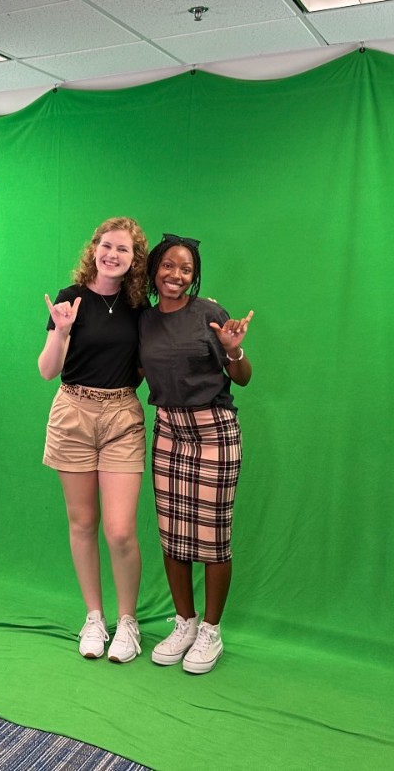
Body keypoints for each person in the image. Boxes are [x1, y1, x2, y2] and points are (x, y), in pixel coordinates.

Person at [138, 233, 253, 674]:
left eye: (185, 269)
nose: (176, 275)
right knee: (173, 533)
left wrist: (233, 349)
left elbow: (241, 377)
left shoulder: (209, 314)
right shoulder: (144, 321)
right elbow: (135, 373)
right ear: (154, 271)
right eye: (169, 266)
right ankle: (184, 622)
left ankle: (211, 630)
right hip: (168, 431)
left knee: (213, 536)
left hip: (214, 432)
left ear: (194, 276)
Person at [39, 217, 150, 663]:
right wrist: (61, 331)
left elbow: (145, 367)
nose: (112, 255)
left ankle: (128, 622)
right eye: (107, 246)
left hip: (122, 415)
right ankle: (94, 617)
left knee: (120, 530)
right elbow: (48, 370)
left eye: (123, 250)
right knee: (83, 522)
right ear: (94, 249)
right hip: (72, 414)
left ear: (133, 260)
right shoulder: (69, 300)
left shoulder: (140, 309)